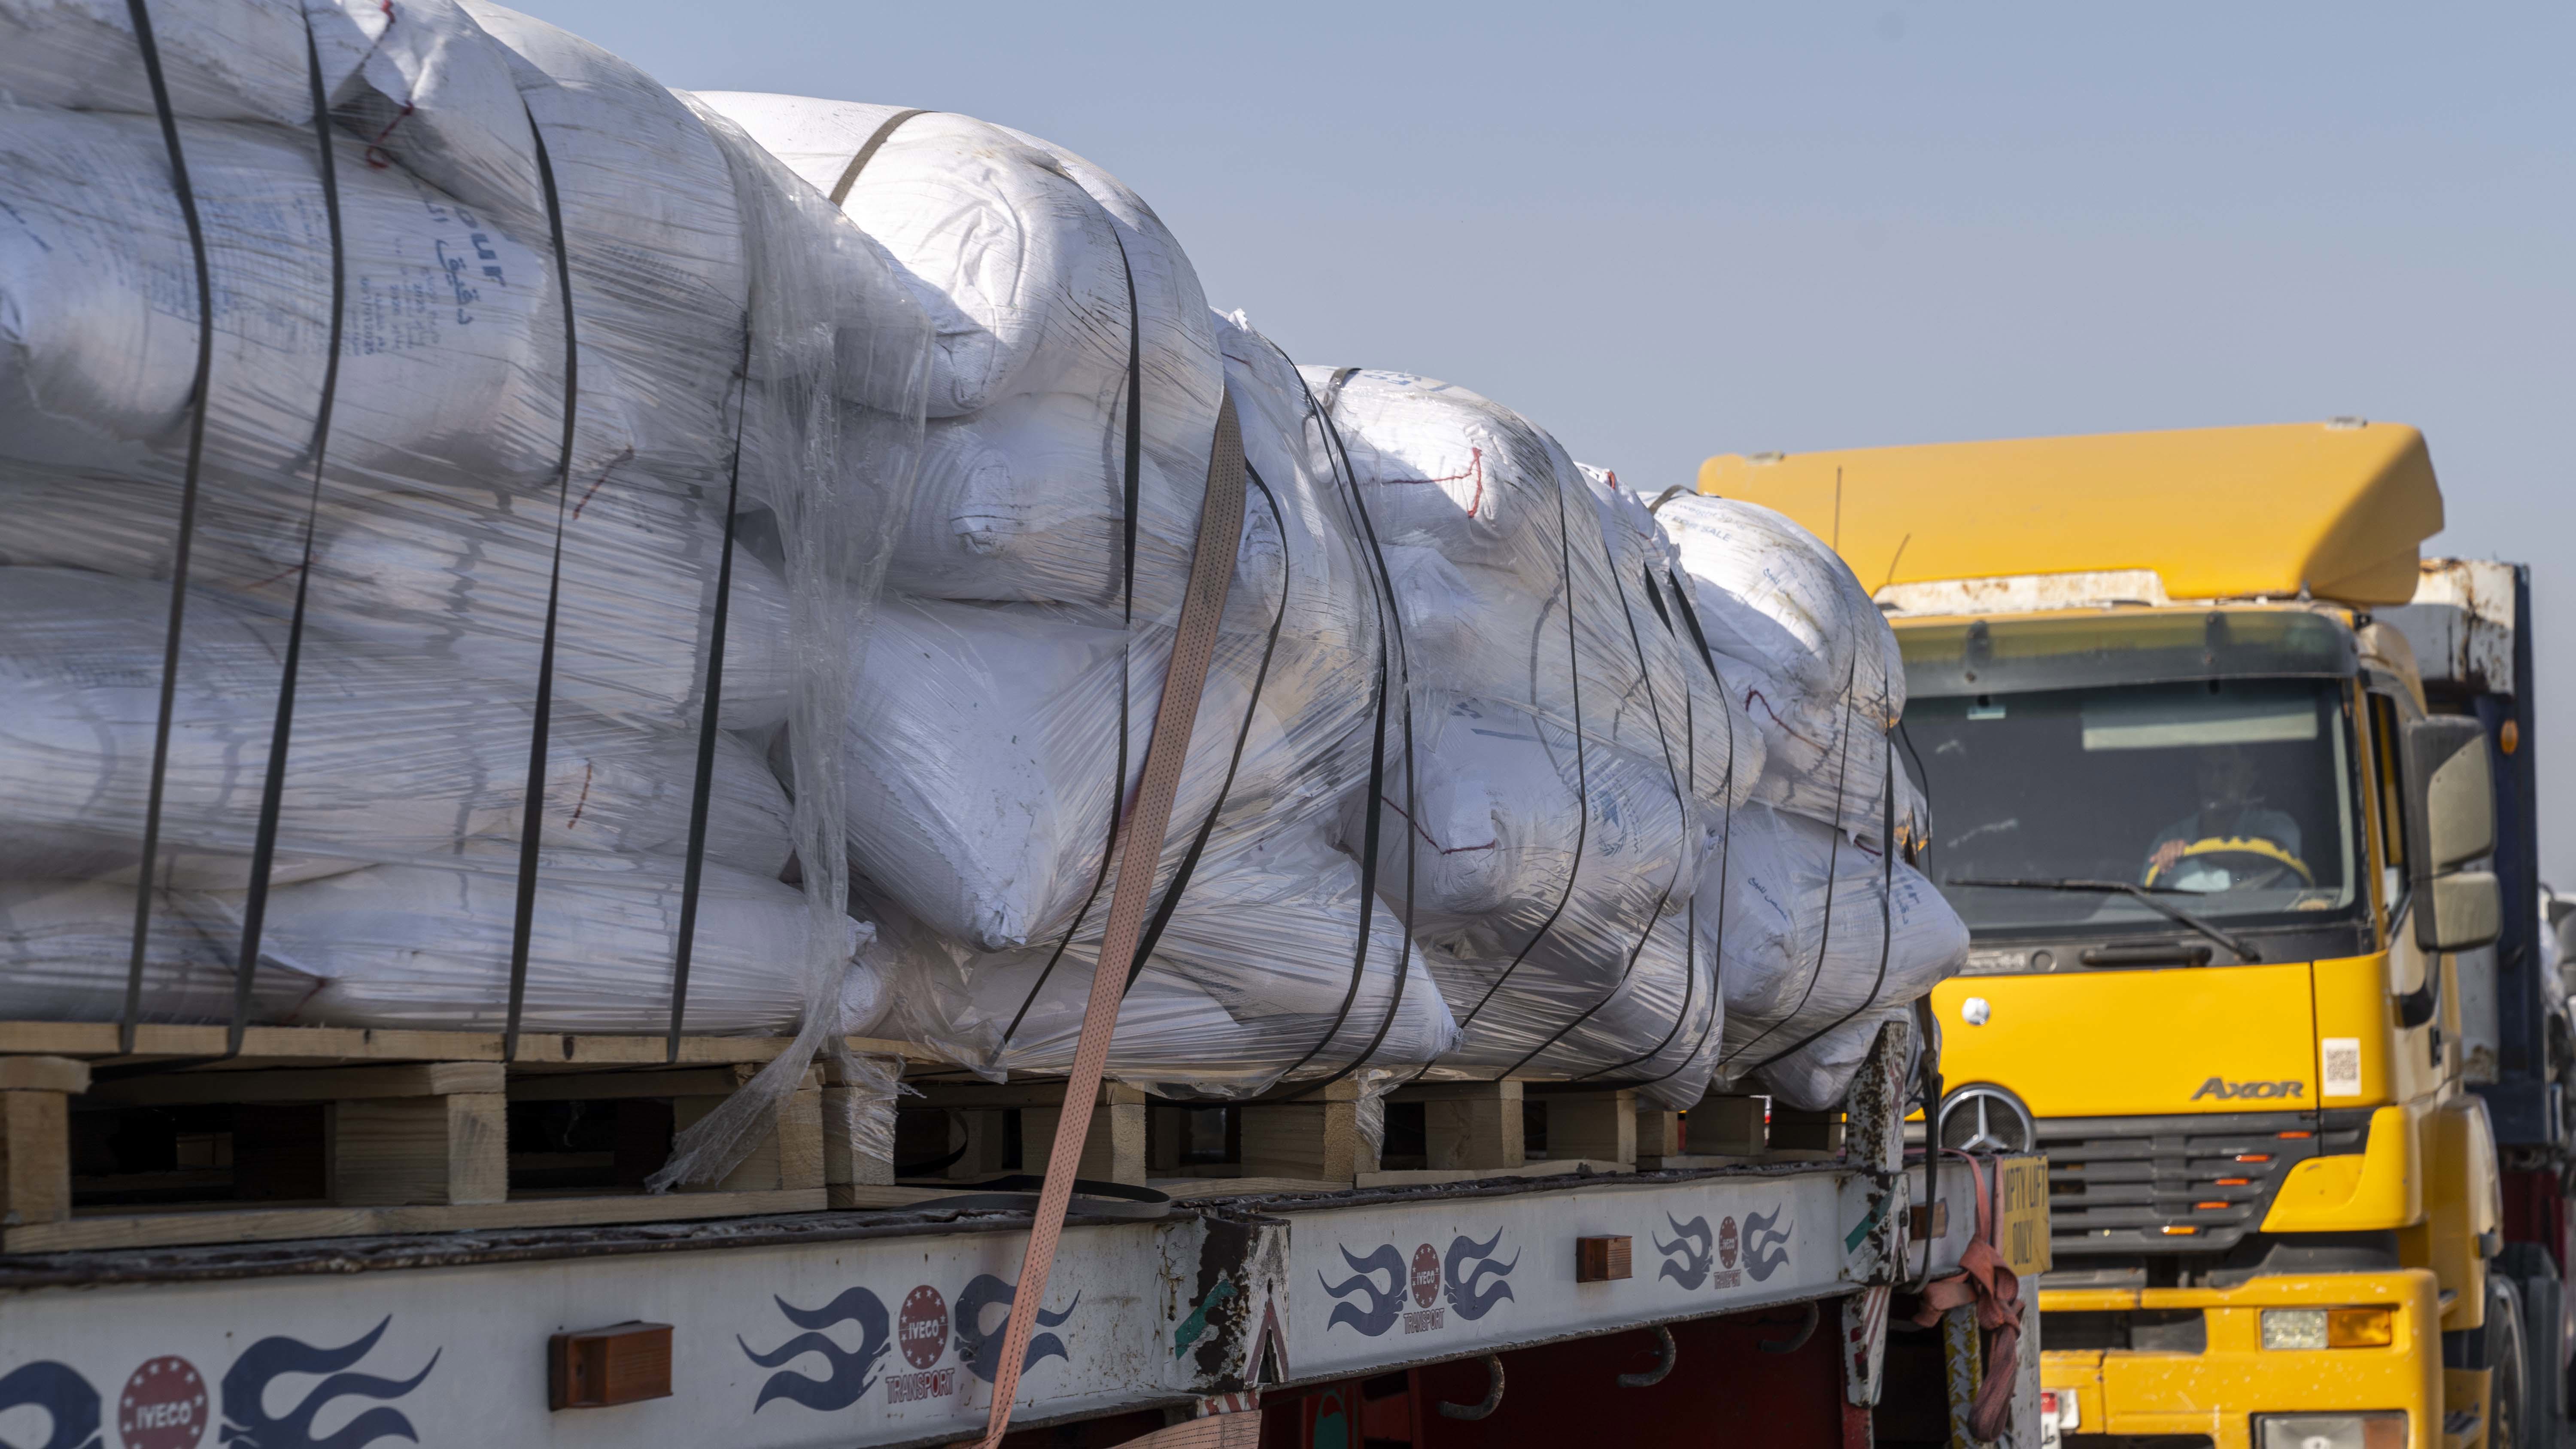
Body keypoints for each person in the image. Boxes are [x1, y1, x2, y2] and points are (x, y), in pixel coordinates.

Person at [2144, 749, 2303, 884]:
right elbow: (2143, 903)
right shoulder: (2168, 839)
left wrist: (2190, 851)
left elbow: (2272, 855)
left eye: (2226, 770)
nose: (2214, 781)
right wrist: (2167, 856)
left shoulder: (2277, 826)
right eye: (2206, 769)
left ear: (2249, 778)